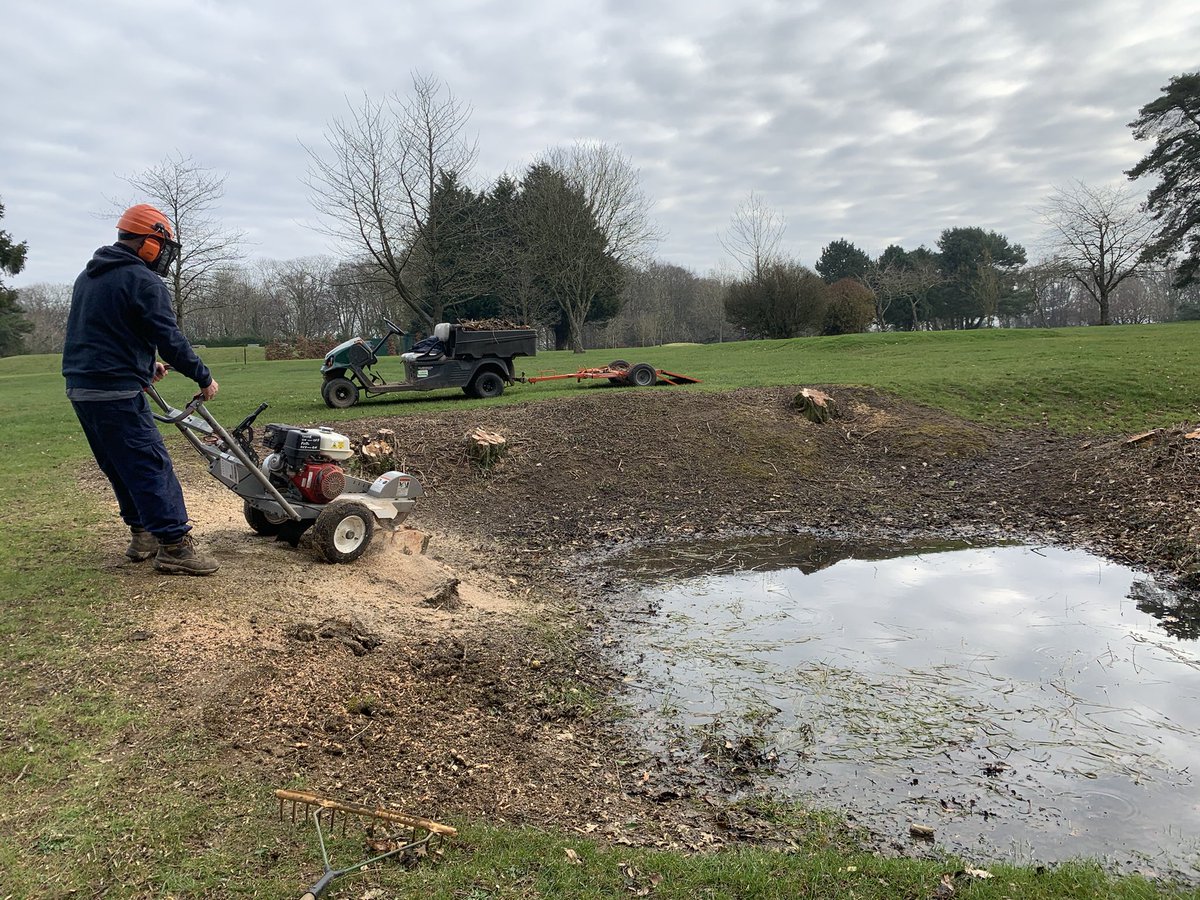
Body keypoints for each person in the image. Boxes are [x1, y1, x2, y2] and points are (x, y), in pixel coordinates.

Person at [62, 203, 220, 575]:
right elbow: (170, 338)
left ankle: (143, 533)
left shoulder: (90, 276)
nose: (163, 255)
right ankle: (175, 546)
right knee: (150, 464)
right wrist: (203, 377)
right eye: (162, 246)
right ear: (148, 242)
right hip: (115, 391)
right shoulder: (142, 280)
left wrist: (146, 366)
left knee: (119, 464)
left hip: (82, 388)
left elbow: (104, 333)